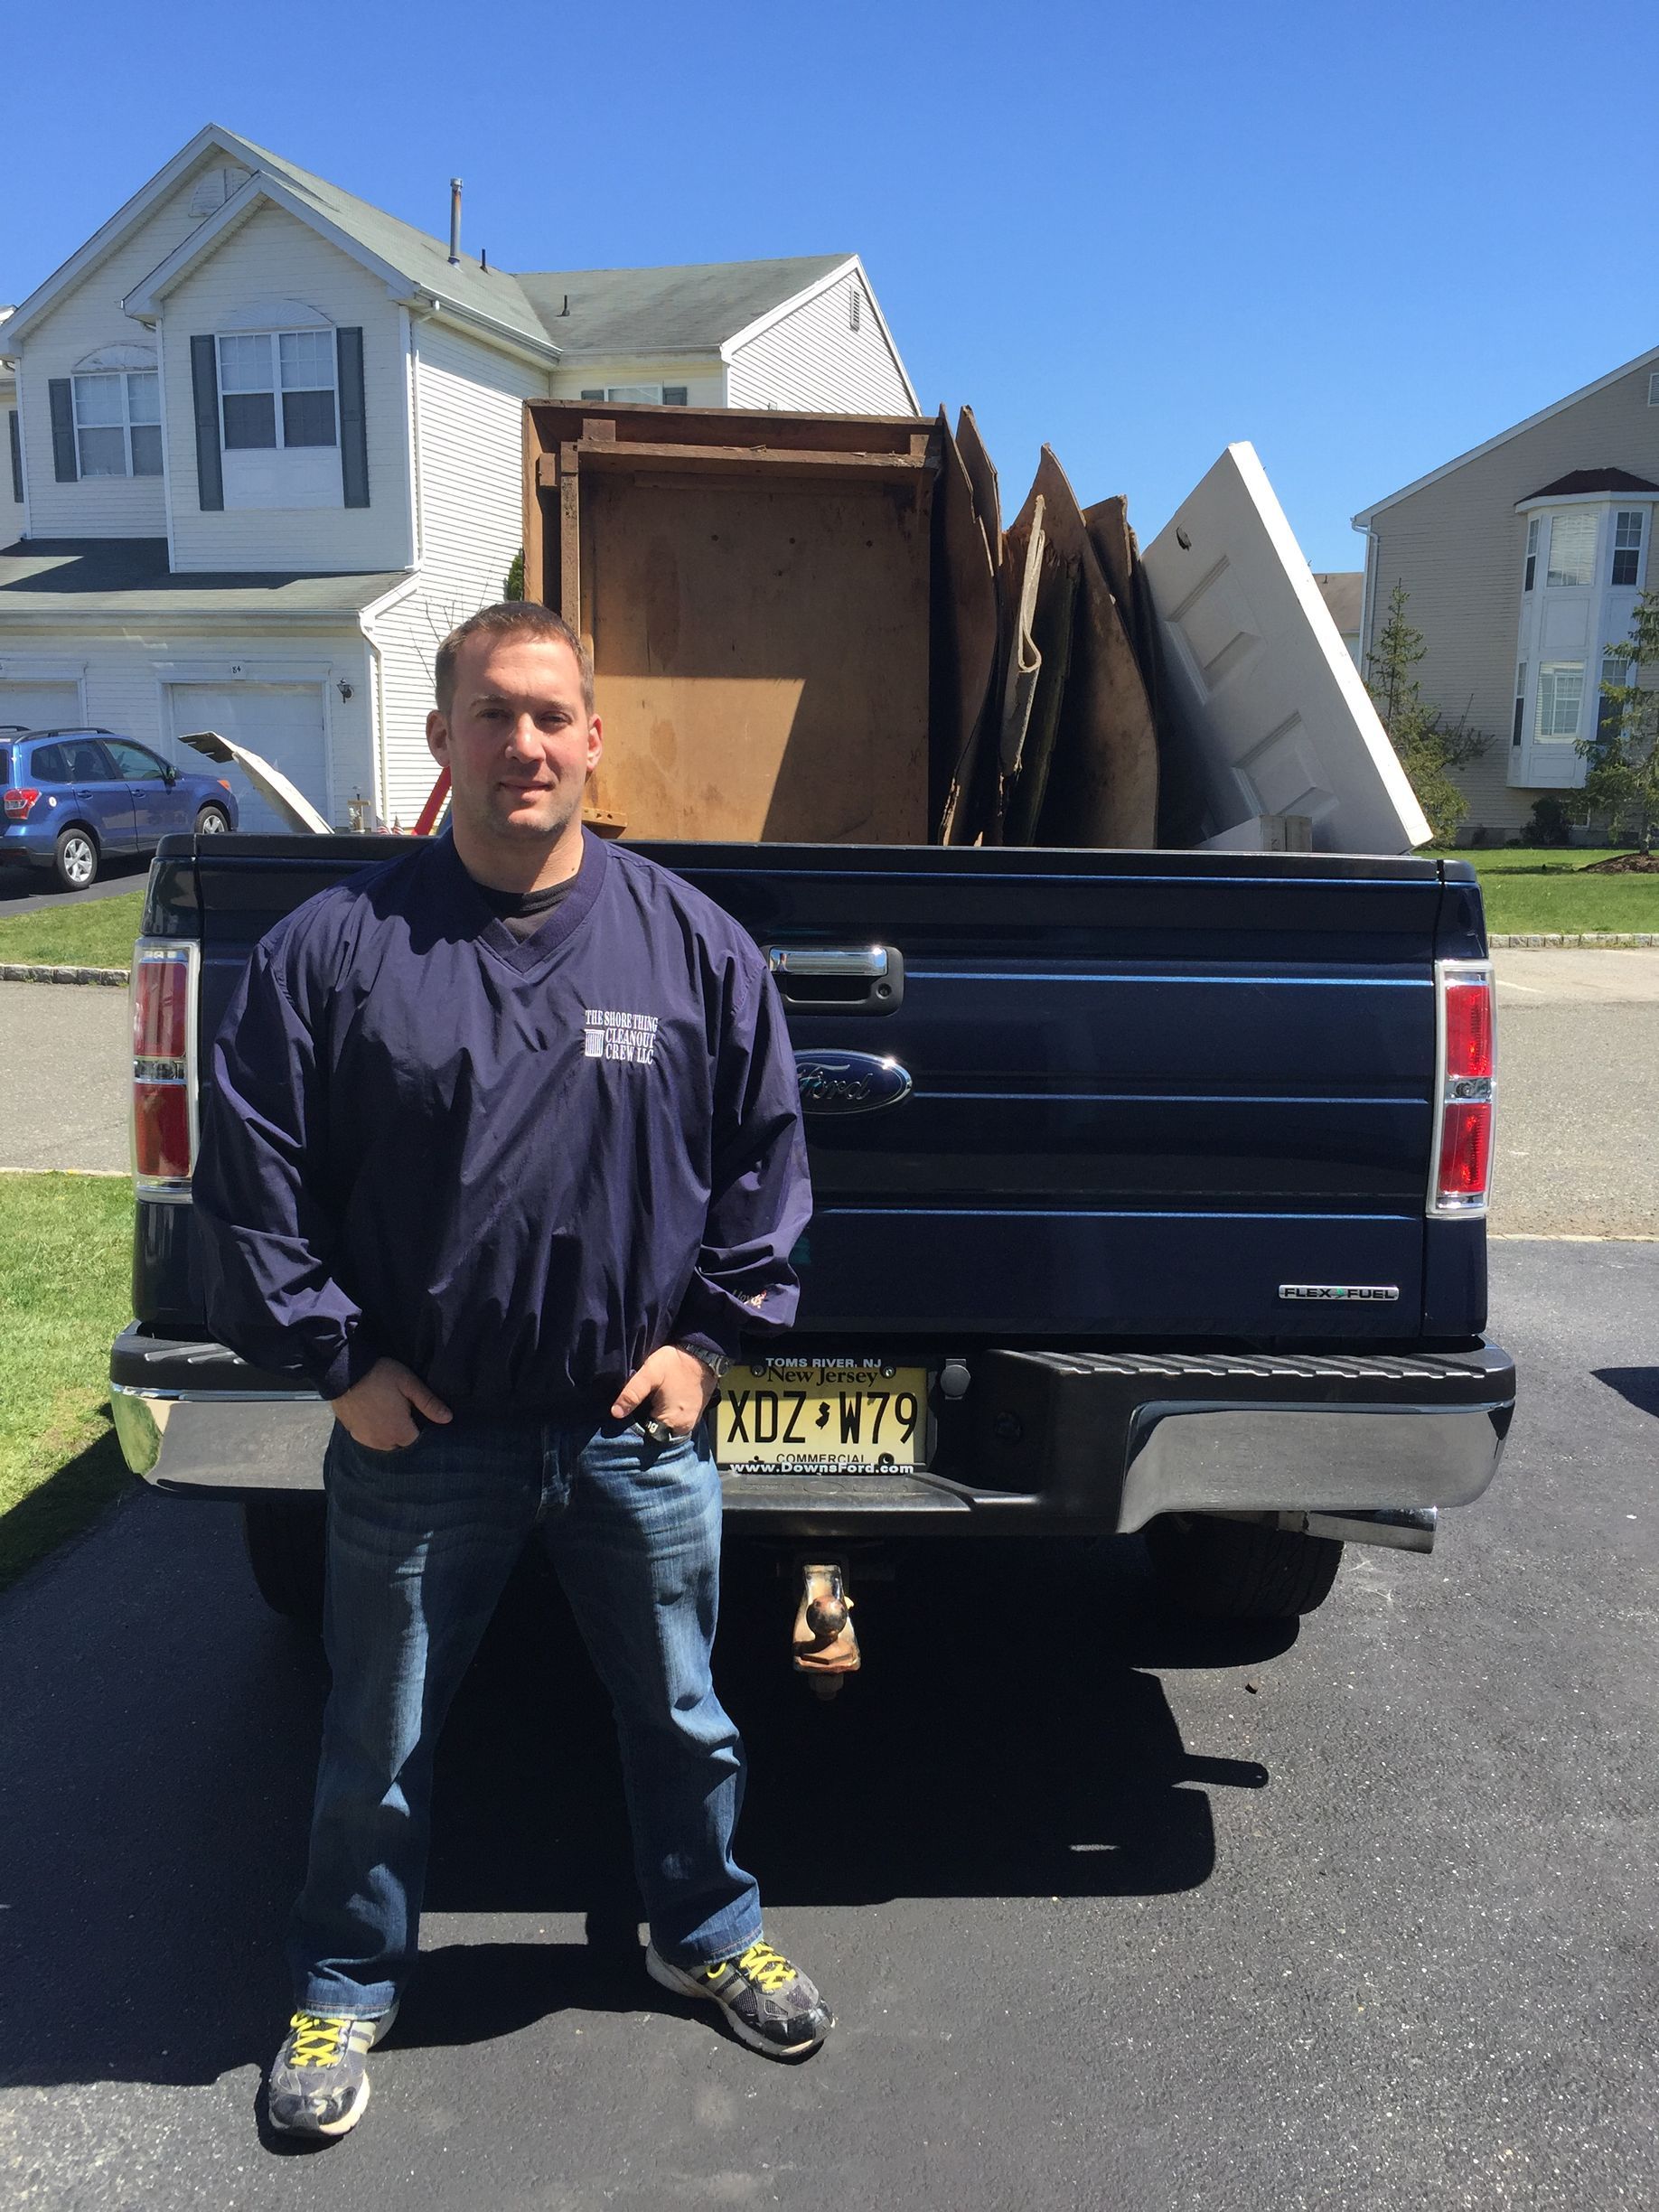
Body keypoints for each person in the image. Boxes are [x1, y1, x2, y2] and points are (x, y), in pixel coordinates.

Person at [193, 601, 828, 2142]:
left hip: (633, 1435)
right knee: (376, 1739)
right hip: (425, 1435)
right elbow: (254, 1169)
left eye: (552, 715)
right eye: (493, 714)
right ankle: (343, 1990)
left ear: (594, 740)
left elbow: (766, 1161)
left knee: (685, 1716)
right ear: (441, 740)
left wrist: (707, 1345)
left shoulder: (692, 947)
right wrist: (339, 1361)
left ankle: (706, 1929)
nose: (525, 744)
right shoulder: (336, 950)